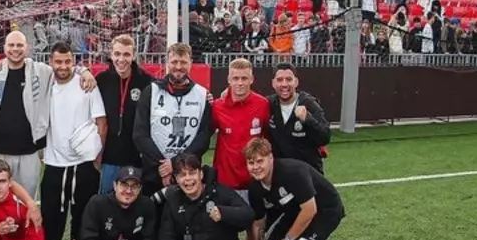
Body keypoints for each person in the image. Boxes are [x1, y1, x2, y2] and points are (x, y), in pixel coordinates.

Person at [41, 42, 106, 240]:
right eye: (58, 61)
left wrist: (97, 157)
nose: (63, 66)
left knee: (81, 216)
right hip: (54, 162)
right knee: (51, 217)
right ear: (51, 62)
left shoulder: (86, 85)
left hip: (83, 163)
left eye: (68, 61)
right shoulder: (46, 83)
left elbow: (101, 122)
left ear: (74, 61)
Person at [132, 42, 214, 198]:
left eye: (183, 62)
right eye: (174, 62)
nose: (178, 67)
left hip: (188, 175)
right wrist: (164, 166)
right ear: (167, 63)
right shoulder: (151, 91)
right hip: (155, 172)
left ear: (191, 63)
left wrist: (176, 163)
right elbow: (140, 135)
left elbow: (203, 139)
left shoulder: (202, 95)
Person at [0, 29, 50, 197]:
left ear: (27, 48)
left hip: (28, 153)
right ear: (4, 48)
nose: (15, 49)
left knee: (26, 203)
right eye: (11, 45)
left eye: (19, 45)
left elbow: (64, 69)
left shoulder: (40, 71)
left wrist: (83, 71)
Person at [95, 34, 154, 193]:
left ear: (134, 55)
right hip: (109, 157)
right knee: (107, 202)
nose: (121, 59)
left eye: (126, 54)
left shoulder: (146, 81)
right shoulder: (101, 80)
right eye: (117, 54)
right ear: (111, 55)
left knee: (133, 202)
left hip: (136, 158)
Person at [211, 58, 272, 198]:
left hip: (254, 181)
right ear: (229, 79)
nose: (240, 83)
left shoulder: (262, 104)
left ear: (251, 79)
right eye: (235, 78)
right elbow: (204, 134)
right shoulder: (217, 106)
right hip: (225, 182)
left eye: (244, 78)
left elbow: (268, 138)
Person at [265, 63, 330, 173]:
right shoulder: (268, 104)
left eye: (289, 79)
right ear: (273, 83)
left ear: (296, 82)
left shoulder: (309, 104)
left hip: (308, 173)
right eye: (280, 80)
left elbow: (325, 137)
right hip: (280, 173)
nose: (284, 84)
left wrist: (308, 119)